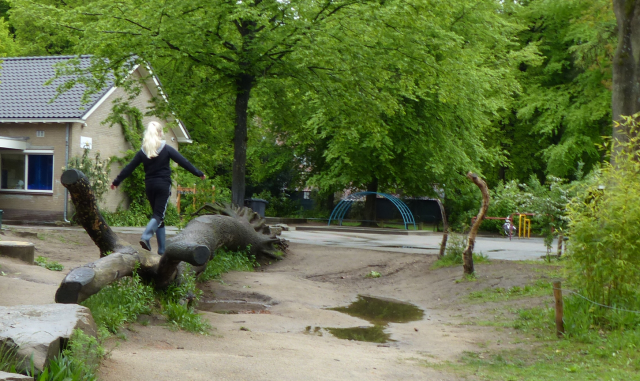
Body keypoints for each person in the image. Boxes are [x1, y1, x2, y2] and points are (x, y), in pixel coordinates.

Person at [110, 121, 205, 254]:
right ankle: (146, 236)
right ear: (159, 133)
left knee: (159, 217)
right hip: (163, 186)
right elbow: (184, 162)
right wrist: (198, 173)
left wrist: (116, 181)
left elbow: (129, 167)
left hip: (150, 186)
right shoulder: (166, 148)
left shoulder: (144, 151)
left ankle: (161, 250)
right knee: (158, 215)